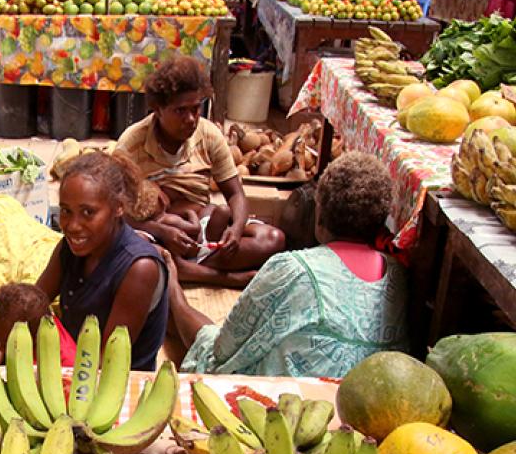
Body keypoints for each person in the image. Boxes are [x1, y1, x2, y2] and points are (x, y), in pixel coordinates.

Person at [167, 152, 408, 378]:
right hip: (366, 398)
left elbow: (222, 350)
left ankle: (172, 285)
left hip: (287, 400)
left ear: (320, 216)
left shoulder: (293, 268)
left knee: (205, 340)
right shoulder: (398, 275)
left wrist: (175, 290)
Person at [116, 55, 285, 288]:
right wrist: (161, 231)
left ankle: (184, 270)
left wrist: (235, 231)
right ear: (158, 109)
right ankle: (225, 277)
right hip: (156, 233)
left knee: (273, 239)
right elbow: (113, 210)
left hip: (204, 233)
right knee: (134, 249)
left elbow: (235, 194)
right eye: (180, 111)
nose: (191, 119)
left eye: (196, 109)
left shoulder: (209, 135)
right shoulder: (131, 143)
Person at [36, 151, 168, 371]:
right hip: (73, 365)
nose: (72, 225)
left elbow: (106, 360)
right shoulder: (69, 249)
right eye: (66, 211)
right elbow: (35, 300)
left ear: (118, 208)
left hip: (114, 381)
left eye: (88, 212)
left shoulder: (140, 268)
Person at [0, 282, 78, 366]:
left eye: (5, 343)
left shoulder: (63, 363)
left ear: (34, 338)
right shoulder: (28, 325)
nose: (1, 348)